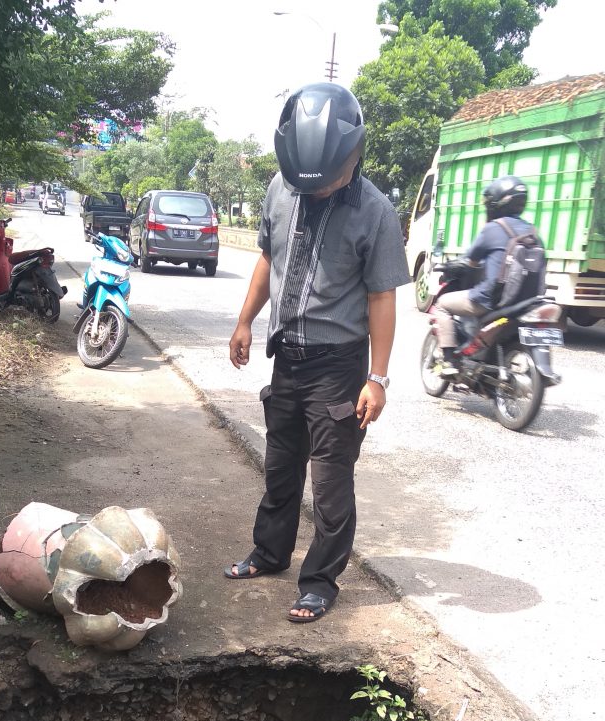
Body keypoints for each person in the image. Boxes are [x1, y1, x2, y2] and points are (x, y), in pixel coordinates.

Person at [226, 82, 410, 624]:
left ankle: (320, 581)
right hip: (287, 356)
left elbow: (382, 297)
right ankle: (270, 552)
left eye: (331, 180)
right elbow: (268, 260)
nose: (320, 190)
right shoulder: (280, 191)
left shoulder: (377, 212)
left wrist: (377, 377)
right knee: (280, 467)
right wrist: (244, 321)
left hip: (338, 368)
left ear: (354, 156)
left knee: (330, 483)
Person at [434, 175, 545, 377]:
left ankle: (449, 361)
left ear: (496, 203)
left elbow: (471, 262)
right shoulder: (533, 233)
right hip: (526, 303)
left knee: (442, 304)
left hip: (492, 300)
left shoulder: (493, 228)